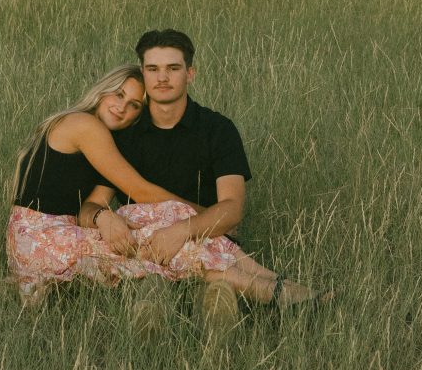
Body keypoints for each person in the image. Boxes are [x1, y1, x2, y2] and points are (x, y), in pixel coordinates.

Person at [79, 30, 327, 324]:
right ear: (143, 74)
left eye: (173, 68)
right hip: (148, 246)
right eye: (153, 69)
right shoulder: (125, 134)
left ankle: (213, 301)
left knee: (210, 278)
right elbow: (91, 206)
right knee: (152, 279)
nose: (162, 78)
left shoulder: (217, 129)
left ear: (190, 73)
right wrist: (102, 218)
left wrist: (182, 230)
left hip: (205, 238)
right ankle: (160, 298)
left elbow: (232, 208)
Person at [6, 63, 245, 308]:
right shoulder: (85, 125)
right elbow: (139, 190)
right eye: (119, 94)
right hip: (41, 240)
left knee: (148, 226)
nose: (122, 108)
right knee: (156, 240)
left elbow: (96, 202)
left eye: (134, 105)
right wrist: (209, 217)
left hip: (47, 239)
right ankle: (267, 286)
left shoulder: (104, 136)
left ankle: (234, 285)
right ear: (102, 90)